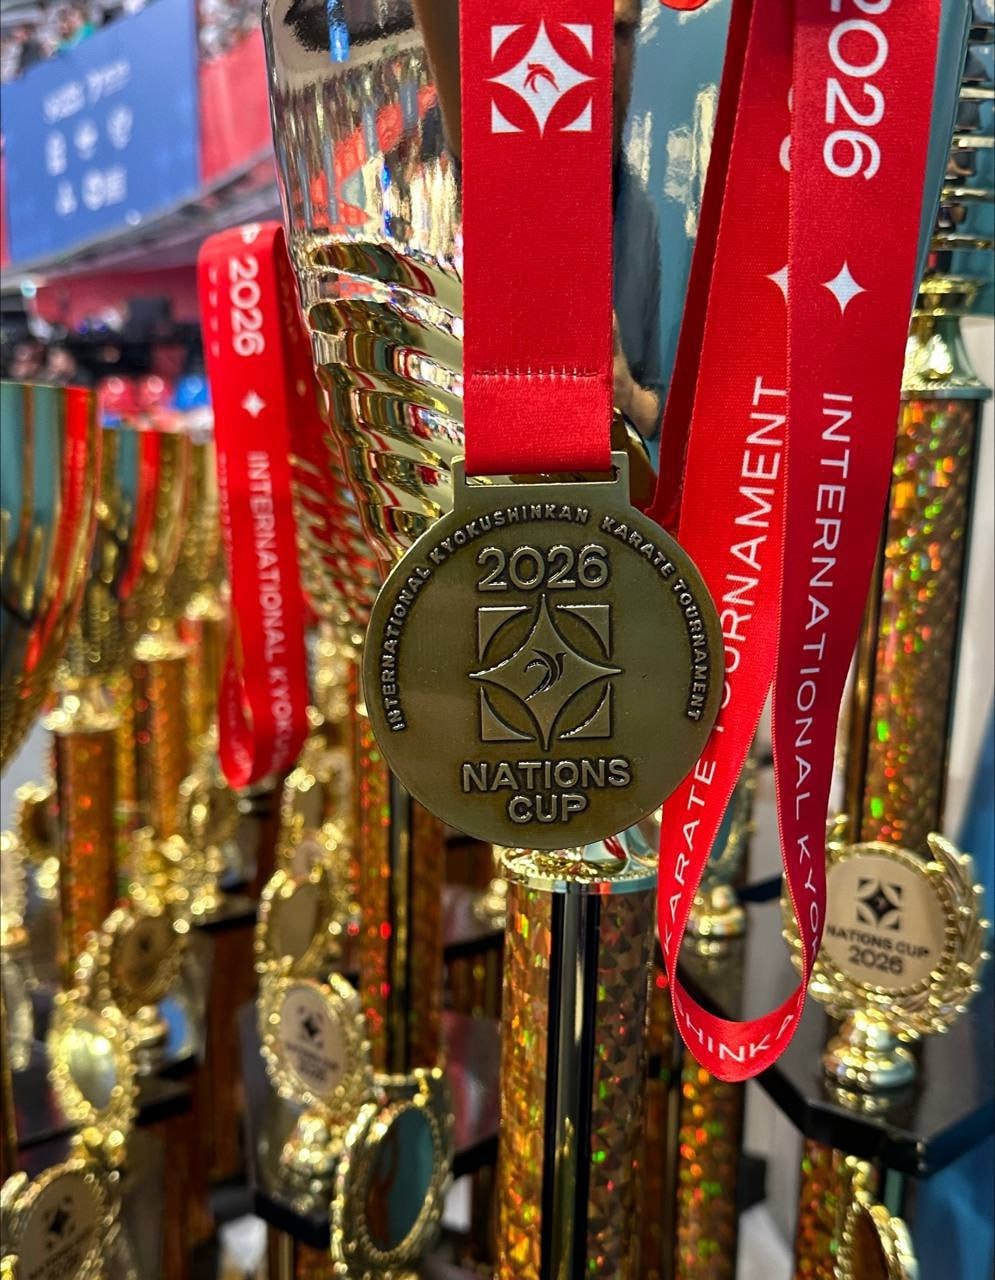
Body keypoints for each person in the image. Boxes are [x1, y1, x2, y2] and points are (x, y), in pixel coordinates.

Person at [412, 0, 664, 442]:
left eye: (620, 33)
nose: (603, 56)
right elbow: (443, 25)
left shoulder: (644, 210)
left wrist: (626, 396)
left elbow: (670, 409)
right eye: (582, 30)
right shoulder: (506, 169)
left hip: (615, 471)